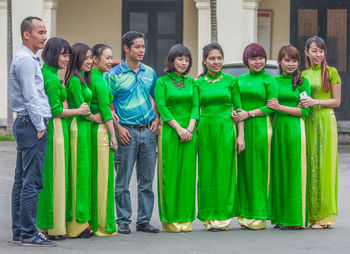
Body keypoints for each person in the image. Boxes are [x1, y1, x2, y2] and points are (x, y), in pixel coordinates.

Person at [36, 38, 90, 240]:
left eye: (68, 54)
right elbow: (55, 110)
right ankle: (50, 226)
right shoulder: (50, 78)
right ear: (51, 54)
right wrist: (79, 110)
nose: (68, 58)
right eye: (63, 54)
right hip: (56, 130)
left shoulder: (50, 75)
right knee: (53, 177)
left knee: (58, 176)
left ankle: (54, 225)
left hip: (60, 130)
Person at [105, 31, 160, 234]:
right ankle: (123, 220)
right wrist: (117, 128)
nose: (141, 50)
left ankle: (144, 220)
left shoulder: (149, 73)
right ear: (126, 48)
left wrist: (156, 118)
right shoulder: (113, 76)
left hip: (147, 133)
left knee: (146, 181)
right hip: (125, 132)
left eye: (143, 46)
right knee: (123, 180)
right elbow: (106, 104)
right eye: (137, 46)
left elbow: (156, 98)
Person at [9, 16, 55, 246]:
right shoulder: (26, 60)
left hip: (26, 123)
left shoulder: (28, 58)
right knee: (31, 181)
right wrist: (40, 126)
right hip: (31, 124)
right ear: (27, 34)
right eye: (40, 32)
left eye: (45, 32)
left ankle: (20, 231)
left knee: (22, 179)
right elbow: (31, 96)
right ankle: (28, 232)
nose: (44, 37)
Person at [196, 43, 245, 231]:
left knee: (225, 172)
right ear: (204, 61)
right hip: (205, 129)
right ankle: (208, 216)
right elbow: (193, 109)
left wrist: (241, 136)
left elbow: (239, 110)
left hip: (226, 128)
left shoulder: (231, 81)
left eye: (219, 58)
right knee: (207, 173)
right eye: (212, 58)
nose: (216, 62)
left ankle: (223, 217)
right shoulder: (197, 84)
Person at [233, 43, 278, 230]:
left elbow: (272, 106)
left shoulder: (270, 80)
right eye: (254, 58)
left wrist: (249, 113)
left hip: (261, 129)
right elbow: (236, 105)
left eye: (261, 58)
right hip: (241, 130)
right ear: (247, 61)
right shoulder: (239, 80)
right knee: (243, 171)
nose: (258, 62)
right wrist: (238, 119)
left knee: (260, 171)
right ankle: (244, 215)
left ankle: (259, 215)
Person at [154, 44, 199, 232]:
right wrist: (179, 128)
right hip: (170, 133)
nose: (183, 63)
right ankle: (170, 219)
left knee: (187, 176)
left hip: (189, 132)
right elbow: (162, 107)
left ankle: (186, 219)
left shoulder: (192, 83)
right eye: (180, 59)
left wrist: (189, 127)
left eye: (187, 59)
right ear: (171, 60)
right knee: (169, 174)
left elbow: (195, 106)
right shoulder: (162, 82)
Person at [267, 45, 311, 229]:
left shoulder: (302, 82)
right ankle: (279, 217)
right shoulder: (273, 81)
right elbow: (268, 106)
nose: (291, 64)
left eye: (294, 60)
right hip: (277, 129)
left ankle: (295, 218)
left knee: (294, 172)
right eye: (287, 60)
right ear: (280, 62)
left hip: (295, 130)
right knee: (278, 172)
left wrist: (281, 108)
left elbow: (304, 111)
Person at [300, 36, 341, 229]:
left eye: (321, 51)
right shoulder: (304, 75)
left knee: (325, 165)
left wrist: (315, 102)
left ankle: (325, 217)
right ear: (306, 52)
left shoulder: (331, 73)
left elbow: (336, 101)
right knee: (309, 165)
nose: (318, 54)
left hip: (326, 122)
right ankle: (312, 214)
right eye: (314, 51)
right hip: (308, 123)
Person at [65, 43, 101, 238]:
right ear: (77, 59)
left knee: (84, 176)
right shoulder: (75, 81)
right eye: (86, 58)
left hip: (85, 130)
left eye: (90, 57)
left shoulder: (82, 79)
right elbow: (82, 109)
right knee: (78, 176)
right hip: (78, 129)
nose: (89, 61)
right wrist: (96, 117)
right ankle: (76, 224)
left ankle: (83, 220)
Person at [89, 43, 118, 236]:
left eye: (111, 57)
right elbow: (105, 110)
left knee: (93, 176)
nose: (110, 61)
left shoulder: (91, 77)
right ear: (95, 59)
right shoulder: (99, 80)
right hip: (100, 132)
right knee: (103, 177)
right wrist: (113, 137)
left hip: (92, 128)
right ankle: (102, 225)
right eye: (107, 58)